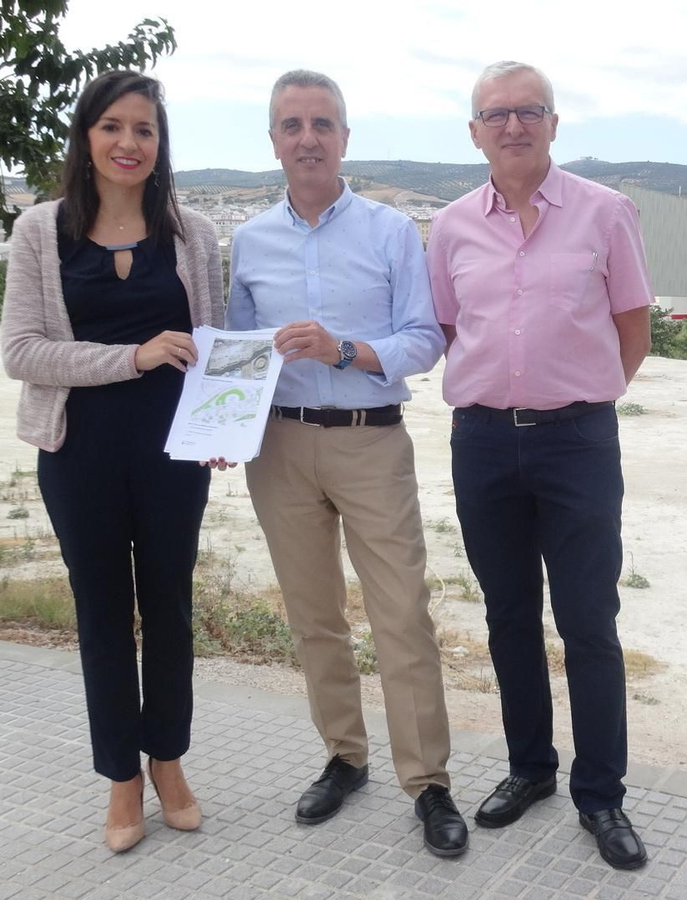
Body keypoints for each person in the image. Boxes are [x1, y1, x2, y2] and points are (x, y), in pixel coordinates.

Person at [226, 70, 465, 858]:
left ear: (345, 138)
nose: (308, 139)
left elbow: (424, 339)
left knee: (401, 615)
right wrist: (221, 423)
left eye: (322, 124)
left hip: (370, 441)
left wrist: (343, 350)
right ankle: (344, 757)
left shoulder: (391, 231)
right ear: (273, 141)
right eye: (292, 125)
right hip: (280, 449)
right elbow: (239, 355)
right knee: (314, 616)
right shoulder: (250, 241)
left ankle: (427, 782)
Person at [425, 60, 654, 870]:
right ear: (474, 132)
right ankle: (530, 768)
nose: (513, 125)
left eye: (530, 110)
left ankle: (602, 795)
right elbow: (446, 329)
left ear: (554, 123)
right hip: (483, 441)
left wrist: (580, 399)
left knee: (588, 620)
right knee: (508, 615)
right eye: (497, 113)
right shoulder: (450, 227)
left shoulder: (605, 212)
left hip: (577, 441)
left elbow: (632, 327)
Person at [0, 70, 225, 853]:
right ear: (86, 137)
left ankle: (168, 762)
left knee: (169, 610)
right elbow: (22, 352)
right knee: (102, 615)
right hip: (80, 452)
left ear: (160, 144)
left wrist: (222, 423)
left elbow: (212, 348)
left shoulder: (192, 233)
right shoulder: (40, 230)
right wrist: (133, 356)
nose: (130, 143)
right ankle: (121, 777)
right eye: (113, 127)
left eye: (145, 129)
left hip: (172, 455)